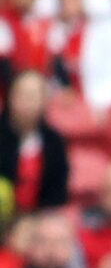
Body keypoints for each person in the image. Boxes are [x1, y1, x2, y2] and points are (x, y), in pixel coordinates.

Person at [0, 70, 68, 216]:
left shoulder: (54, 142)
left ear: (45, 102)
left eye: (32, 96)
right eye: (21, 95)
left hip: (40, 217)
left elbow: (57, 193)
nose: (26, 103)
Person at [1, 211, 101, 268]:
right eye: (44, 242)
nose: (52, 250)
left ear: (72, 247)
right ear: (30, 245)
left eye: (60, 242)